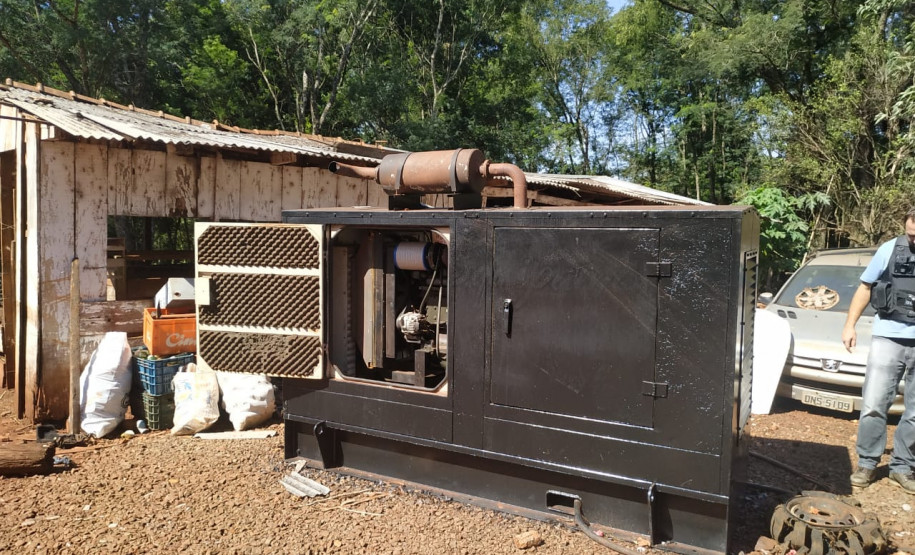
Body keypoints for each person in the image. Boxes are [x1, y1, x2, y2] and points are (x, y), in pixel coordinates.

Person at [842, 209, 915, 493]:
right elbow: (864, 288)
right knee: (873, 405)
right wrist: (850, 325)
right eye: (910, 233)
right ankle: (867, 463)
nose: (912, 238)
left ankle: (902, 467)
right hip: (888, 337)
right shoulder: (889, 249)